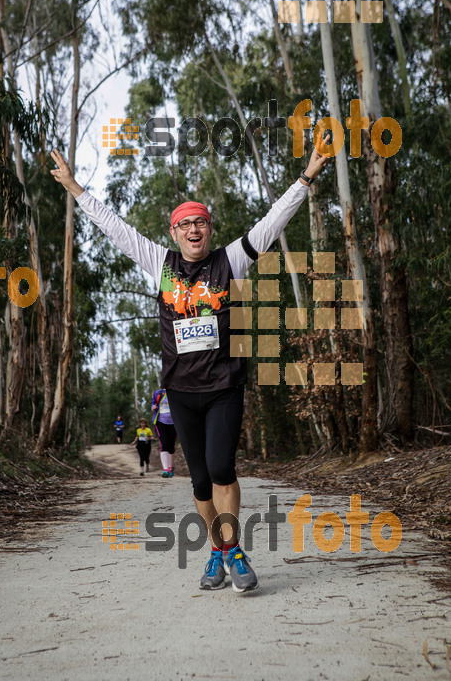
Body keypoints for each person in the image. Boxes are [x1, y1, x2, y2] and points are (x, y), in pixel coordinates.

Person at [50, 141, 329, 592]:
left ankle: (231, 553)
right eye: (185, 224)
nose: (194, 229)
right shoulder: (159, 262)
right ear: (175, 232)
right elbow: (114, 228)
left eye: (200, 221)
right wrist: (73, 187)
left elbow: (273, 220)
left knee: (221, 468)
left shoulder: (232, 259)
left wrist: (306, 176)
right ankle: (220, 552)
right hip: (181, 391)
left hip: (224, 387)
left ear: (210, 228)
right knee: (199, 481)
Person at [151, 388, 176, 478]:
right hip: (160, 421)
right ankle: (165, 469)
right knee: (164, 443)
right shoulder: (158, 393)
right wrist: (153, 407)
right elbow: (153, 403)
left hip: (174, 422)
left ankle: (171, 466)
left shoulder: (175, 392)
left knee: (171, 445)